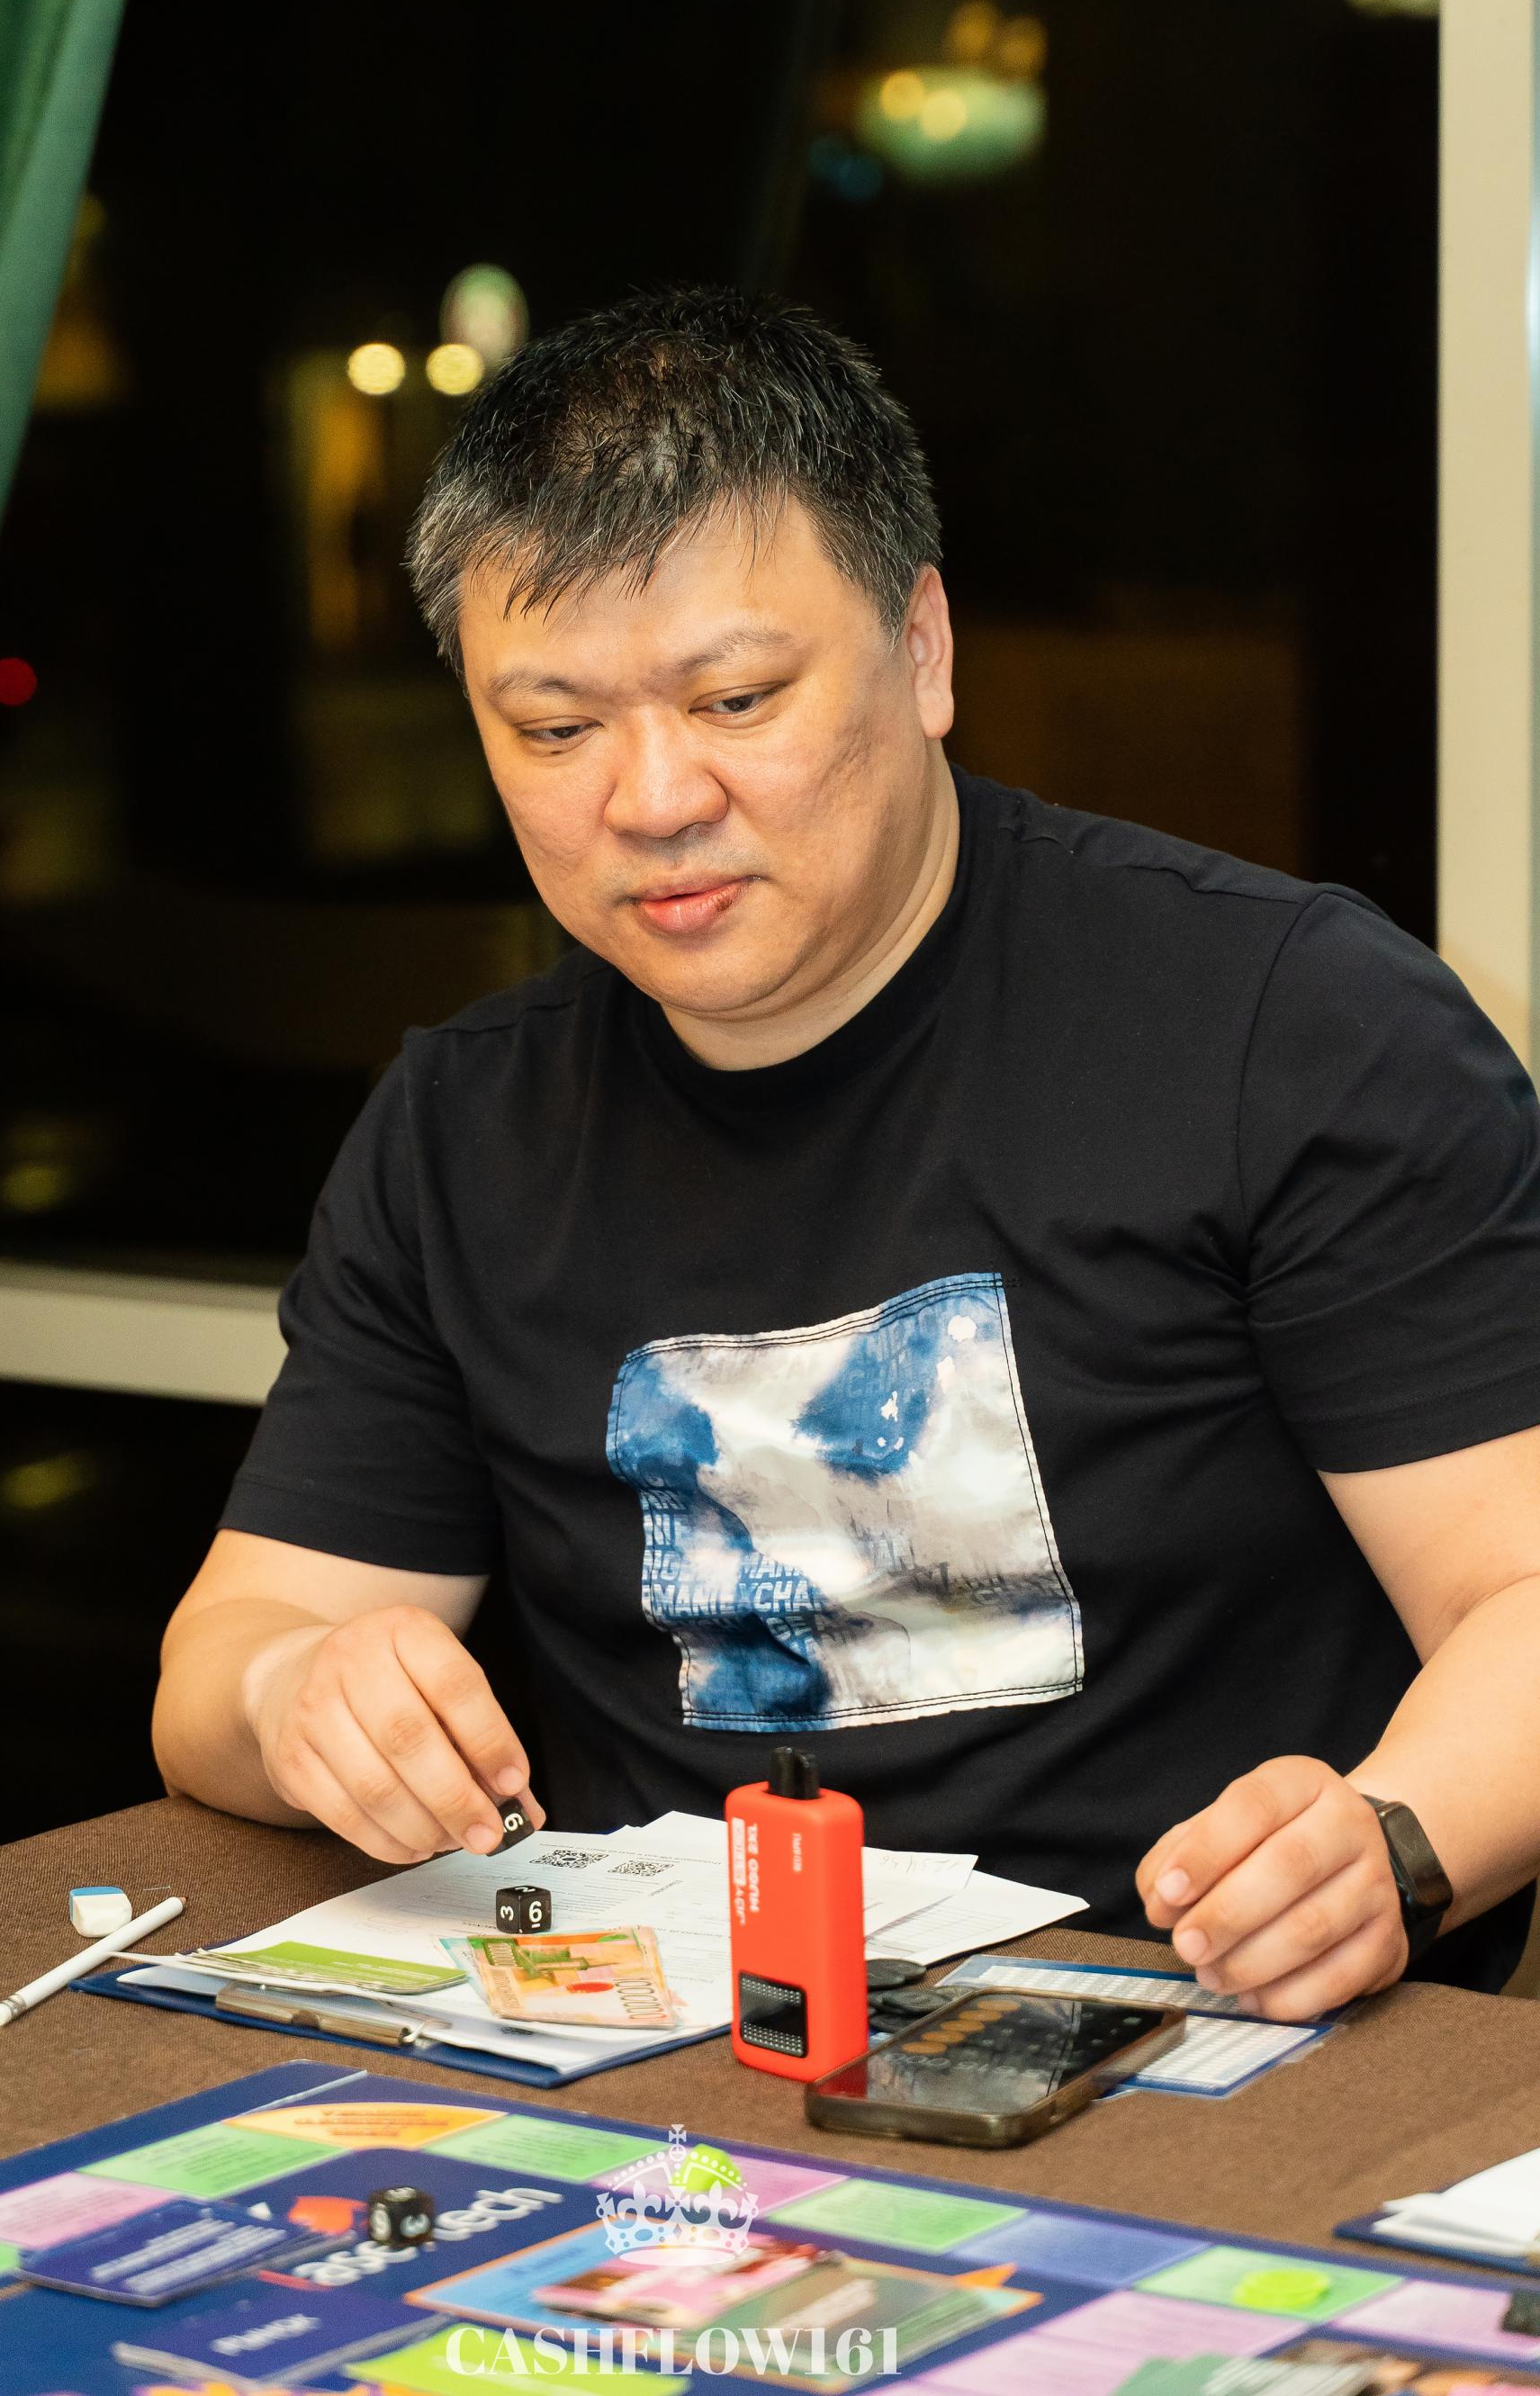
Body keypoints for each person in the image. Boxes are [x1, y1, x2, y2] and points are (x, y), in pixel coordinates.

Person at [154, 287, 1540, 2017]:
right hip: (670, 2045)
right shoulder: (463, 1127)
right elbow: (225, 1658)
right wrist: (299, 1696)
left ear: (924, 648)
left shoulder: (1287, 1025)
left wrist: (1394, 1842)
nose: (653, 799)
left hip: (1188, 2018)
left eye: (736, 697)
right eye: (556, 729)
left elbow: (1520, 1587)